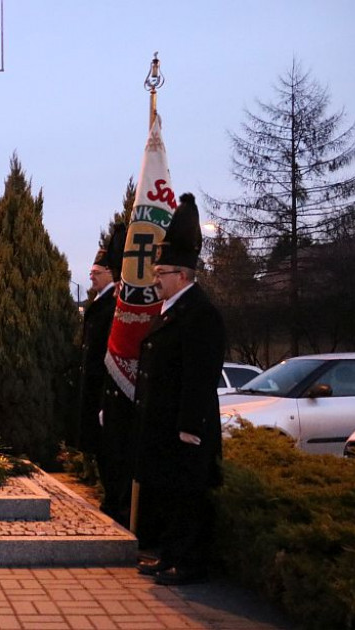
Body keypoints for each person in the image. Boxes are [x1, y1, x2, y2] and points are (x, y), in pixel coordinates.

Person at [133, 193, 225, 586]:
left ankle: (189, 563)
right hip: (163, 423)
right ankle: (169, 555)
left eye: (162, 272)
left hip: (185, 427)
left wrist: (190, 425)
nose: (155, 278)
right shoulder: (173, 310)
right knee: (169, 494)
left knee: (189, 496)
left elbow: (200, 374)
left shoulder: (200, 313)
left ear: (183, 275)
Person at [77, 223, 126, 525]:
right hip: (94, 388)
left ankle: (115, 503)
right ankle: (111, 499)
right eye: (91, 272)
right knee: (100, 451)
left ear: (110, 273)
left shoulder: (112, 306)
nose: (91, 276)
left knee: (110, 454)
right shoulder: (99, 304)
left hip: (104, 389)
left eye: (97, 272)